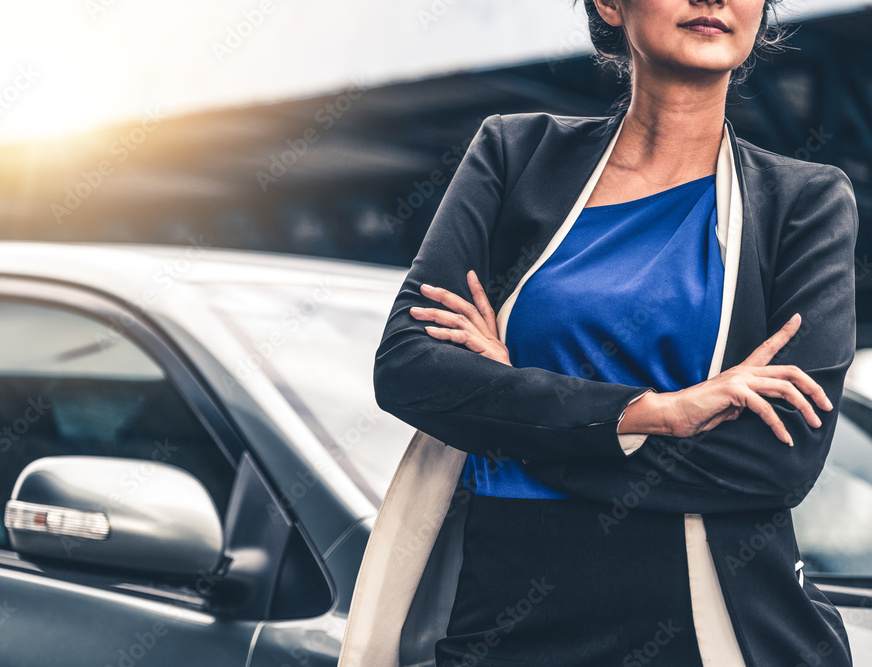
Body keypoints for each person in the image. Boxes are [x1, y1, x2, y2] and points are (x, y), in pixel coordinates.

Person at [339, 0, 859, 665]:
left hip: (710, 632)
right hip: (503, 624)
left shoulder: (804, 205)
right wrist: (655, 413)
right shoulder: (514, 154)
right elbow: (411, 370)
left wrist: (511, 408)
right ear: (610, 5)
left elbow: (774, 460)